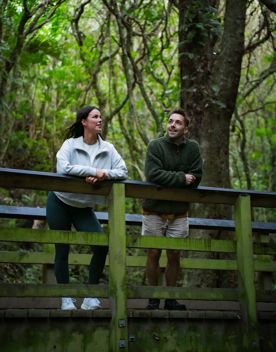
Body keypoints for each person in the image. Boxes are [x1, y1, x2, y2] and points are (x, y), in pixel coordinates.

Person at [46, 105, 128, 310]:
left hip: (83, 207)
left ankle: (91, 296)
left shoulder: (107, 149)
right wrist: (92, 171)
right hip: (59, 201)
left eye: (101, 116)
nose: (100, 120)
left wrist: (104, 175)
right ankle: (66, 298)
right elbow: (63, 168)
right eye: (95, 117)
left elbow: (123, 171)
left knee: (101, 246)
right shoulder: (70, 145)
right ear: (84, 122)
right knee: (61, 248)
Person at [142, 108, 202, 310]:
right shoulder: (155, 146)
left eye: (178, 122)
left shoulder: (192, 148)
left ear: (186, 129)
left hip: (179, 211)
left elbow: (196, 176)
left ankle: (170, 299)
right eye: (170, 121)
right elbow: (153, 174)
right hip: (154, 209)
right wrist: (181, 178)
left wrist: (183, 179)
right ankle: (153, 298)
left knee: (174, 254)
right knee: (153, 252)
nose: (172, 125)